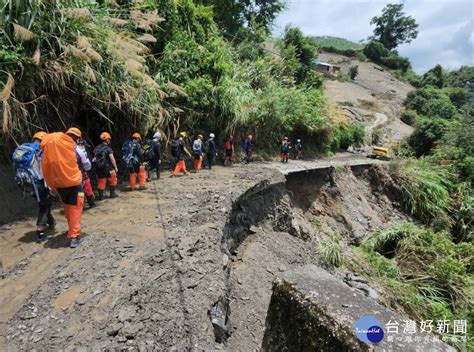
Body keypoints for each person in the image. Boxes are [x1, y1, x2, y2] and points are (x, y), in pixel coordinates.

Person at [41, 131, 84, 248]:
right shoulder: (74, 148)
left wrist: (52, 186)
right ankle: (74, 237)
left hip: (59, 184)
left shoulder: (47, 153)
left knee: (67, 206)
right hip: (74, 182)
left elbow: (45, 171)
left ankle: (71, 228)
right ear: (75, 138)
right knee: (76, 208)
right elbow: (85, 163)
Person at [13, 131, 55, 242]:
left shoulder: (24, 149)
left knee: (44, 203)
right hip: (39, 183)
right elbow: (43, 171)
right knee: (45, 206)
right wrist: (50, 185)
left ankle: (51, 223)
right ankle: (40, 233)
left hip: (27, 183)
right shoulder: (39, 151)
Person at [66, 128, 96, 208]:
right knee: (86, 188)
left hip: (67, 176)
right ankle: (91, 204)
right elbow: (87, 164)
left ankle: (72, 207)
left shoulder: (60, 148)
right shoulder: (78, 149)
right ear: (76, 137)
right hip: (80, 175)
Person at [93, 132, 118, 200]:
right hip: (108, 168)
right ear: (107, 140)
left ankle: (101, 196)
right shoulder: (108, 148)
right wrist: (115, 167)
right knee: (113, 179)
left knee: (101, 182)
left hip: (99, 168)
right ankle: (112, 194)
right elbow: (112, 158)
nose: (109, 140)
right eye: (109, 139)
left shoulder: (97, 148)